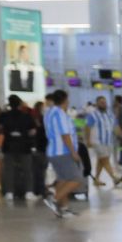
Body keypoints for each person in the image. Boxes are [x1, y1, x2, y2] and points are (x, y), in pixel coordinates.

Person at [42, 90, 84, 218]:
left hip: (53, 151)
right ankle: (53, 199)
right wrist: (73, 152)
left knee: (63, 179)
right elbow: (65, 135)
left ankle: (63, 209)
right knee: (76, 179)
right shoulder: (60, 114)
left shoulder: (48, 112)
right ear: (65, 100)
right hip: (63, 152)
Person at [0, 96, 36, 201]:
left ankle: (9, 193)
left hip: (8, 145)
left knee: (9, 170)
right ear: (20, 104)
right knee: (27, 170)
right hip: (24, 145)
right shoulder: (26, 116)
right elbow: (33, 131)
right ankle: (29, 192)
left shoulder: (4, 115)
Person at [86, 96, 122, 188]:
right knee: (105, 159)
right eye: (101, 102)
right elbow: (87, 128)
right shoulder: (93, 114)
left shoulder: (110, 115)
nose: (103, 104)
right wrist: (88, 140)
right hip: (97, 141)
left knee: (101, 160)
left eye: (104, 102)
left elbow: (116, 127)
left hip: (108, 142)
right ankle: (114, 178)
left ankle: (96, 179)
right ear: (97, 104)